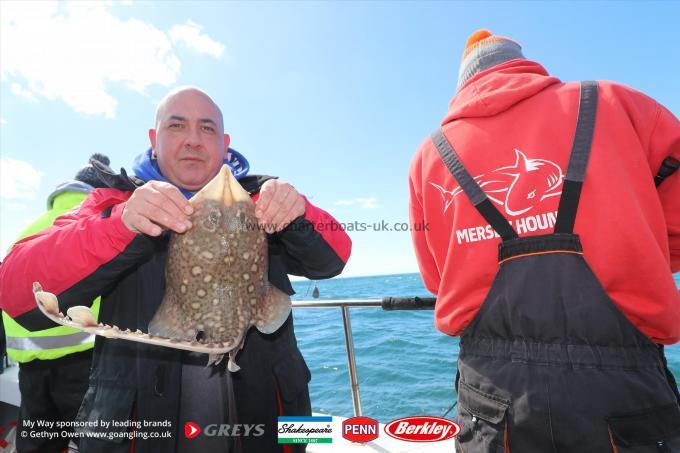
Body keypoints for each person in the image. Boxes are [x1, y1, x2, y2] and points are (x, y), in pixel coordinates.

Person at [0, 86, 352, 453]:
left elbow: (334, 259)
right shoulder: (111, 202)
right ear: (154, 139)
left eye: (208, 128)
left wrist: (299, 214)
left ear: (225, 142)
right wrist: (121, 226)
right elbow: (16, 292)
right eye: (177, 126)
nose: (193, 140)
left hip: (278, 419)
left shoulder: (262, 197)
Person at [408, 30, 680, 452]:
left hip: (492, 400)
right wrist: (630, 252)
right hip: (624, 389)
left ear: (463, 80)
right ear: (520, 61)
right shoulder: (617, 102)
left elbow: (434, 277)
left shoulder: (428, 156)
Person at [1, 153, 112, 453]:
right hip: (82, 362)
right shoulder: (95, 225)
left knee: (36, 442)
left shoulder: (29, 231)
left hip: (29, 368)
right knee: (87, 443)